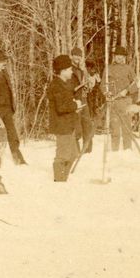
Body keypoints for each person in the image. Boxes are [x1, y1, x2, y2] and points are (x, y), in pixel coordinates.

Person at [47, 54, 82, 182]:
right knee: (62, 156)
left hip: (68, 124)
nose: (72, 71)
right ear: (62, 71)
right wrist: (75, 105)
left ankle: (63, 179)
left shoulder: (63, 83)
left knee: (73, 154)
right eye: (69, 69)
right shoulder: (56, 85)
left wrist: (75, 106)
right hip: (62, 126)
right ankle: (59, 181)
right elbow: (61, 107)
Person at [101, 45, 139, 151]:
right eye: (118, 55)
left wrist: (127, 91)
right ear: (114, 56)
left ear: (125, 57)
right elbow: (103, 84)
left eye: (122, 56)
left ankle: (127, 150)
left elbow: (137, 84)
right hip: (113, 102)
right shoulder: (108, 68)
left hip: (126, 101)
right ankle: (115, 151)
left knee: (127, 128)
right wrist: (106, 93)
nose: (119, 58)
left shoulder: (129, 69)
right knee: (115, 129)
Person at [71, 47, 97, 155]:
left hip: (84, 100)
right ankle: (75, 152)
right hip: (74, 101)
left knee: (88, 126)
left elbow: (88, 86)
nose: (77, 58)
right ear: (71, 56)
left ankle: (87, 152)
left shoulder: (82, 70)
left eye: (79, 56)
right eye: (75, 55)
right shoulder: (68, 69)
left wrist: (90, 83)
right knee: (76, 128)